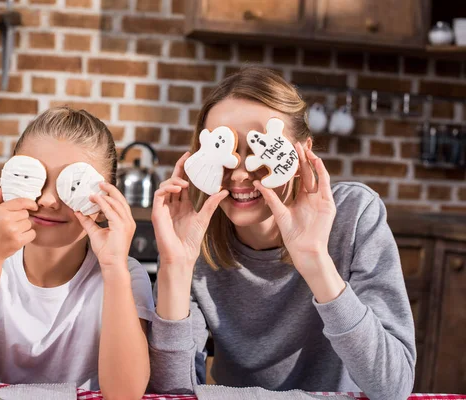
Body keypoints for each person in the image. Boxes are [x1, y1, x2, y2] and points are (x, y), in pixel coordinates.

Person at [148, 67, 416, 400]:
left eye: (260, 148)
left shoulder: (355, 215)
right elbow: (169, 393)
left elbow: (393, 387)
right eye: (225, 149)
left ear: (304, 151)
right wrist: (176, 265)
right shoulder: (190, 234)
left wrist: (315, 259)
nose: (241, 172)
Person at [0, 106, 153, 399]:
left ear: (106, 200)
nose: (48, 199)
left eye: (70, 185)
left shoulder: (124, 275)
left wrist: (114, 267)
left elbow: (125, 393)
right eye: (32, 178)